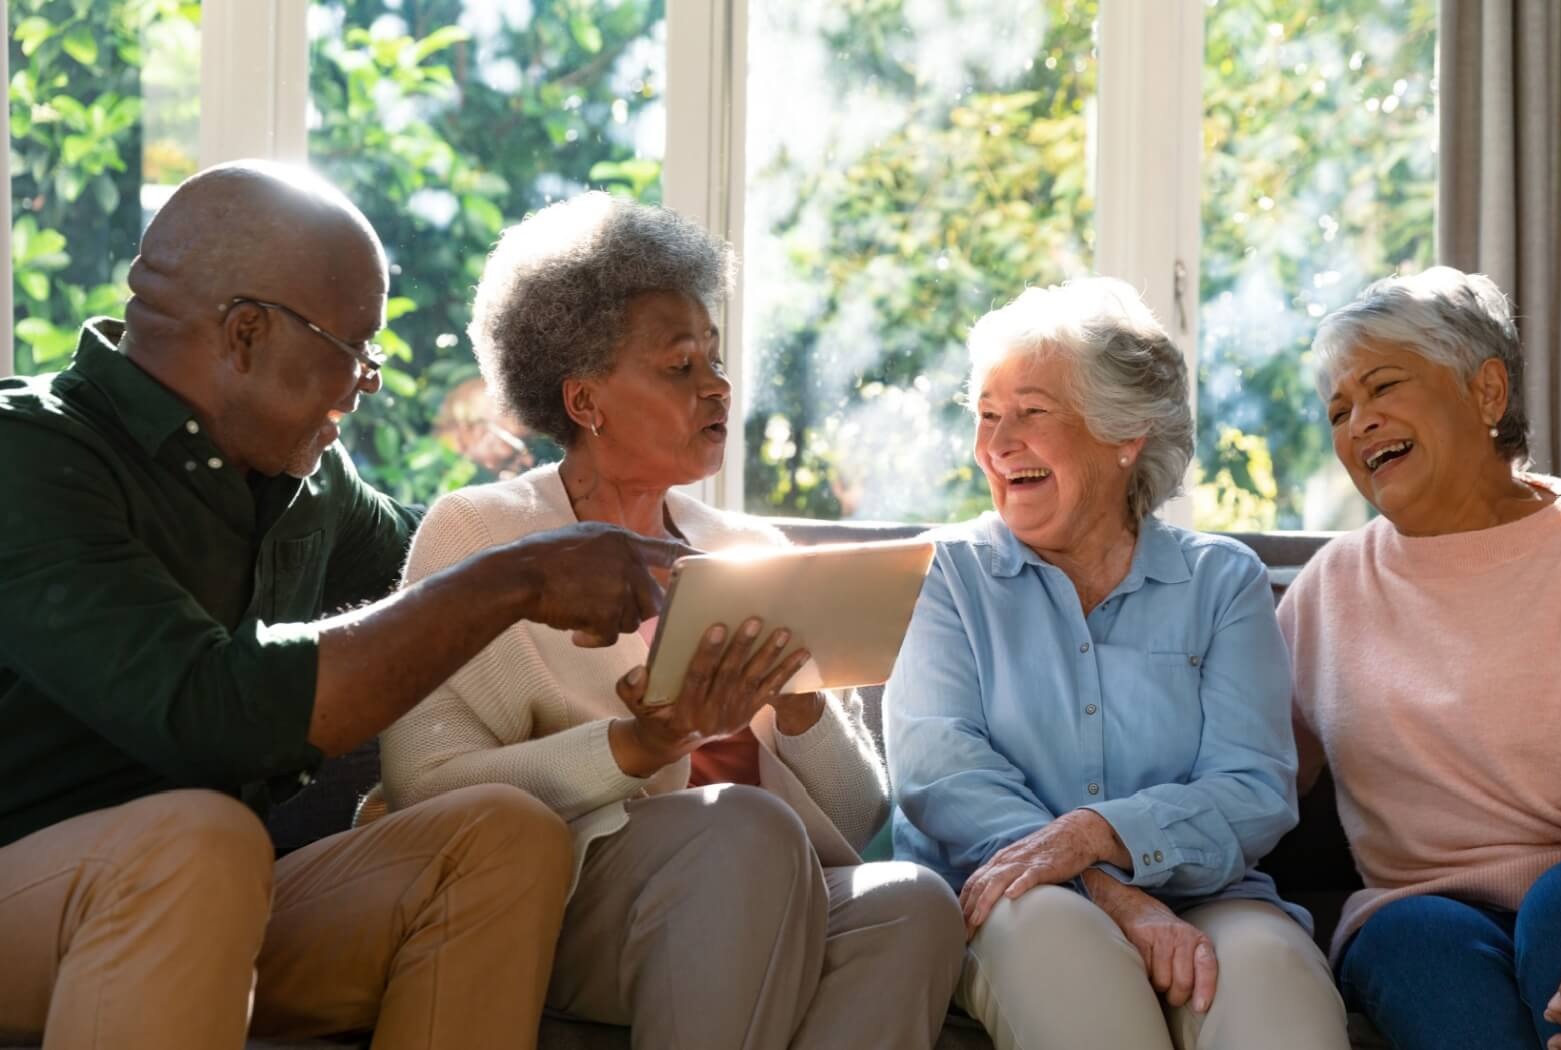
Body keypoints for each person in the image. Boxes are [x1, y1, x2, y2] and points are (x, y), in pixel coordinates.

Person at [0, 161, 692, 1050]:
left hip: (209, 896)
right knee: (201, 841)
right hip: (46, 889)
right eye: (356, 345)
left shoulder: (305, 480)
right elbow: (212, 711)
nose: (368, 379)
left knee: (501, 836)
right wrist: (522, 575)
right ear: (244, 333)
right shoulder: (31, 457)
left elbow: (448, 550)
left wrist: (671, 547)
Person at [377, 191, 966, 1050]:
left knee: (912, 903)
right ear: (585, 401)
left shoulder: (750, 546)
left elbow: (857, 806)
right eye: (679, 366)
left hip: (770, 882)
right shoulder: (484, 534)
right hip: (571, 898)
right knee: (745, 825)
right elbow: (423, 779)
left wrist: (800, 708)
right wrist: (638, 747)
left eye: (716, 360)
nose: (716, 385)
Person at [885, 278, 1350, 1050]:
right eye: (988, 416)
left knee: (1277, 996)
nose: (998, 446)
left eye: (1031, 413)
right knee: (1073, 970)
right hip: (1014, 890)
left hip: (1210, 892)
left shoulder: (1221, 581)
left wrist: (1103, 831)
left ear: (1124, 434)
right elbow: (942, 775)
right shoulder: (946, 574)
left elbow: (1254, 788)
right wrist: (1107, 888)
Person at [1279, 266, 1561, 1050]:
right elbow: (1244, 777)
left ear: (1487, 392)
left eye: (1385, 387)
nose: (1360, 423)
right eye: (1339, 411)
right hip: (1414, 911)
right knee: (1412, 940)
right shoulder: (1331, 587)